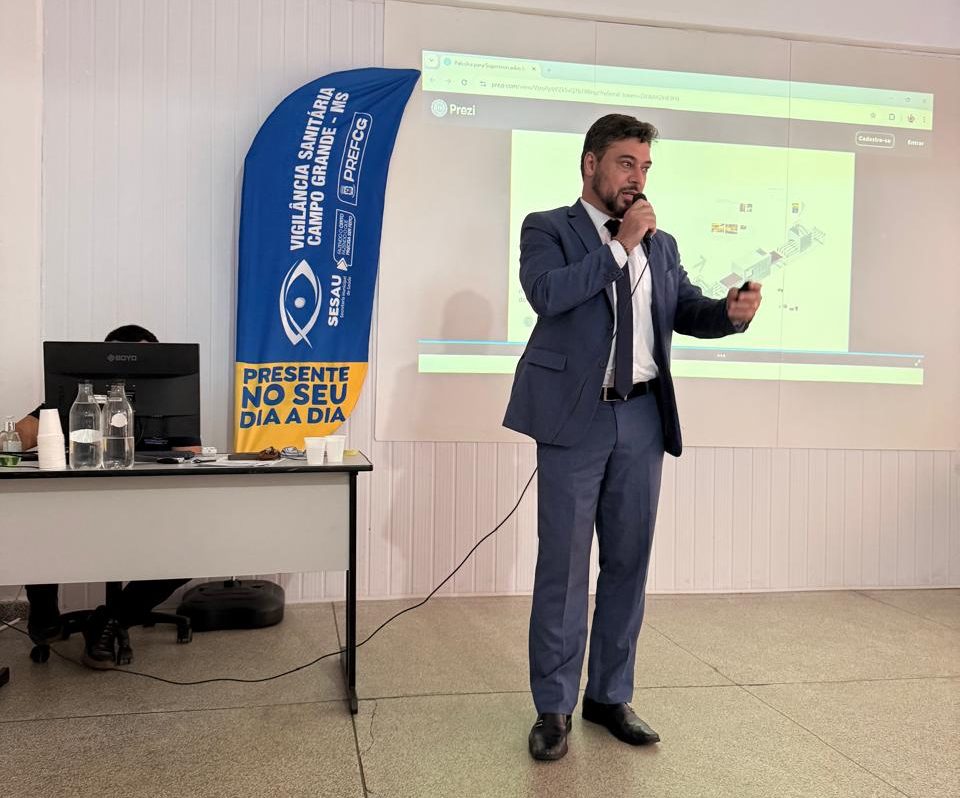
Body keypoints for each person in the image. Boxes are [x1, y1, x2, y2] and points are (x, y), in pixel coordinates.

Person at [503, 115, 761, 760]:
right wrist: (619, 246)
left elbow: (682, 309)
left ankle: (609, 696)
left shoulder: (662, 244)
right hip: (576, 416)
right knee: (563, 567)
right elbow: (547, 294)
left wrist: (727, 316)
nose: (636, 178)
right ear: (590, 164)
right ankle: (554, 707)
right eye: (625, 164)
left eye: (644, 167)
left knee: (628, 563)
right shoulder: (549, 228)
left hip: (642, 418)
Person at [16, 324, 198, 669]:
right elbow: (20, 436)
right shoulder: (73, 397)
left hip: (146, 507)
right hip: (78, 508)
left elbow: (191, 453)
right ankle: (44, 615)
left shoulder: (173, 401)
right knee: (33, 526)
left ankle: (111, 619)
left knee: (189, 552)